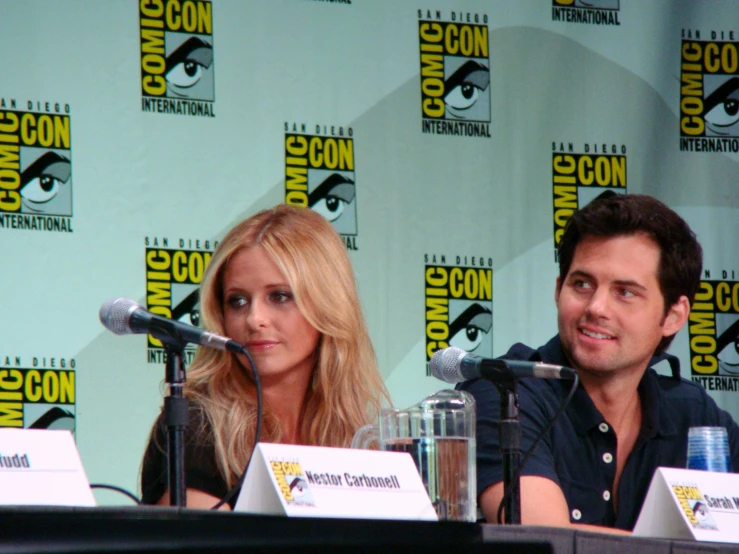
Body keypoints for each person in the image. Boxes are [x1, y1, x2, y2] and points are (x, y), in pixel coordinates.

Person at [458, 193, 739, 531]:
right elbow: (544, 539)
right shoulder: (505, 393)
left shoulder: (693, 414)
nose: (597, 308)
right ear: (559, 289)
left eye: (625, 292)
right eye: (582, 284)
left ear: (673, 316)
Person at [141, 204, 390, 509]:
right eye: (238, 301)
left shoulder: (355, 432)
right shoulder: (195, 429)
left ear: (327, 304)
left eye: (279, 296)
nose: (254, 319)